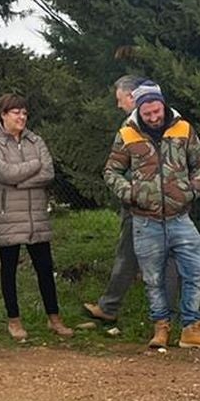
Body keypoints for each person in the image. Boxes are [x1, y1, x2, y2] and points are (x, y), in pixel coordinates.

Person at [103, 81, 200, 349]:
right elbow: (111, 171)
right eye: (148, 114)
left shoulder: (183, 129)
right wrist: (130, 193)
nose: (154, 117)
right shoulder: (127, 135)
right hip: (145, 220)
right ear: (139, 110)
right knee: (153, 279)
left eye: (157, 111)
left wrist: (191, 190)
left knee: (196, 270)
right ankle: (161, 328)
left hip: (180, 217)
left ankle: (191, 328)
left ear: (163, 104)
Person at [82, 75, 177, 324]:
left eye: (120, 99)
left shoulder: (137, 125)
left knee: (139, 254)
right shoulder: (164, 119)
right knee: (161, 255)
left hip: (146, 205)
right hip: (157, 202)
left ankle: (115, 308)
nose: (118, 104)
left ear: (132, 96)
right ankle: (165, 314)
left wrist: (131, 193)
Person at [0, 94, 75, 341]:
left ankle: (54, 319)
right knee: (9, 270)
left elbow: (48, 172)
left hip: (35, 215)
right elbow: (3, 173)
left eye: (24, 112)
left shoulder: (36, 140)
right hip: (7, 216)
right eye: (16, 112)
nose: (22, 117)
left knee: (45, 268)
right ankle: (14, 321)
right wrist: (33, 167)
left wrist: (20, 182)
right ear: (3, 115)